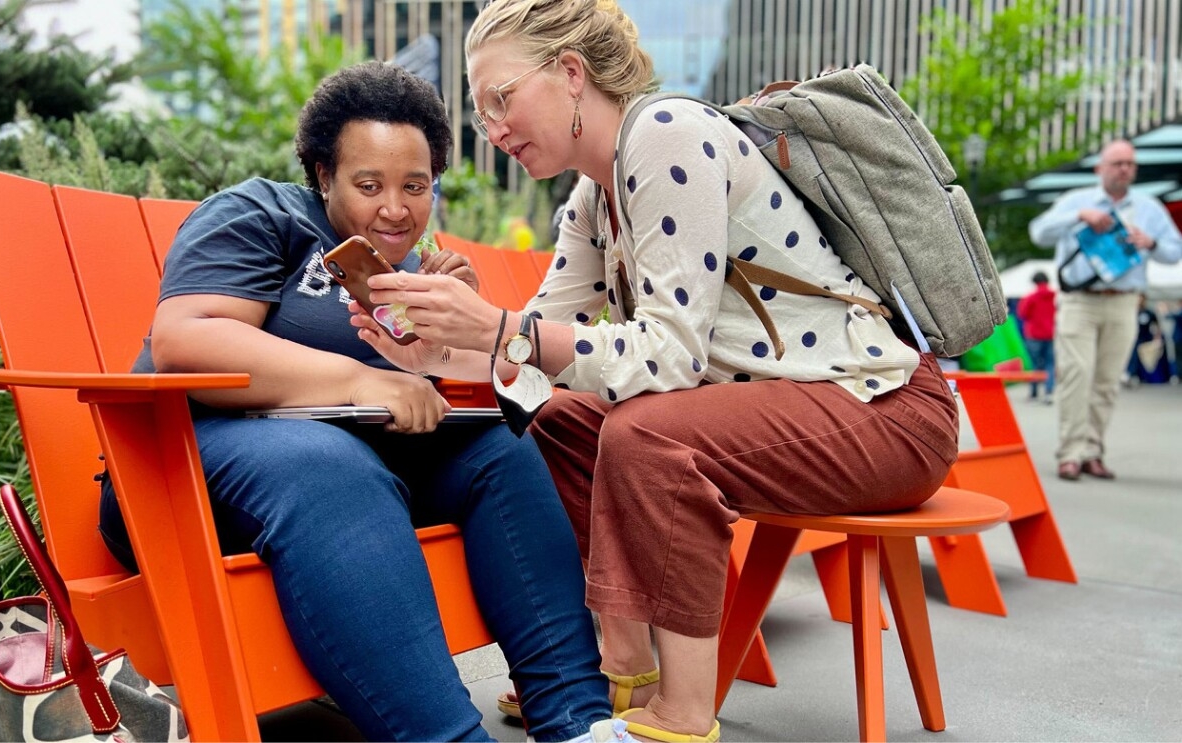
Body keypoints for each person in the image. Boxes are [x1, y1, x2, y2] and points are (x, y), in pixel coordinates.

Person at [349, 2, 961, 740]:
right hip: (785, 413)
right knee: (553, 419)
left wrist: (500, 329)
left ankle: (680, 714)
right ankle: (624, 667)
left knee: (647, 434)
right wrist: (433, 352)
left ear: (571, 74)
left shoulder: (669, 136)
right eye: (481, 112)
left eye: (501, 98)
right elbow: (537, 358)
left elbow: (669, 359)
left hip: (886, 410)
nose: (494, 126)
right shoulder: (591, 197)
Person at [96, 61, 614, 742]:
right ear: (322, 175)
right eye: (368, 185)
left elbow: (488, 385)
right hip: (177, 477)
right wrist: (363, 380)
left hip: (357, 483)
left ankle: (580, 722)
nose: (394, 208)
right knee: (330, 461)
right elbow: (186, 340)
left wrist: (458, 325)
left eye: (415, 186)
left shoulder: (402, 275)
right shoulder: (260, 214)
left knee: (500, 451)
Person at [1030, 139, 1182, 482]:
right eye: (1117, 163)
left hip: (1125, 301)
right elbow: (1039, 232)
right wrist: (1078, 217)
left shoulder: (1149, 208)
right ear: (1101, 168)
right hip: (1080, 301)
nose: (1124, 169)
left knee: (1107, 381)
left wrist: (1151, 242)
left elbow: (1175, 251)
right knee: (1076, 374)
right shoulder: (1076, 201)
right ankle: (1070, 454)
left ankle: (1092, 453)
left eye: (1129, 163)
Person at [1016, 270, 1057, 402]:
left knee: (1034, 363)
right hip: (1051, 333)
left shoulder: (1031, 297)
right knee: (1050, 363)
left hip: (1034, 334)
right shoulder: (1055, 296)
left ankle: (1034, 393)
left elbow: (1022, 313)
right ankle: (1049, 392)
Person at [1126, 297, 1170, 384]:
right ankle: (1133, 375)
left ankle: (1145, 377)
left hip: (1146, 338)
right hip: (1136, 338)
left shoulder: (1149, 312)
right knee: (1134, 357)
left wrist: (1157, 338)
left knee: (1147, 359)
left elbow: (1157, 325)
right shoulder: (1133, 312)